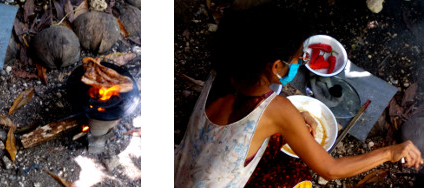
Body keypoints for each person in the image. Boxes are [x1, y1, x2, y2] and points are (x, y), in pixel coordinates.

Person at [174, 5, 423, 187]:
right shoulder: (278, 110)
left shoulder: (226, 68)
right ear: (275, 67)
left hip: (181, 173)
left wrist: (295, 116)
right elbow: (330, 170)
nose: (301, 61)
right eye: (297, 57)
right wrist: (390, 153)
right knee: (296, 175)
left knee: (286, 151)